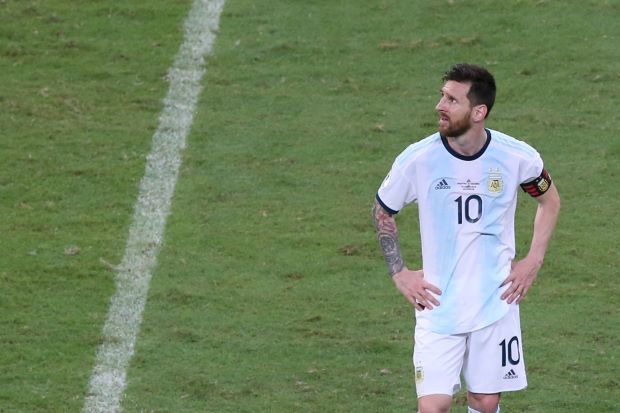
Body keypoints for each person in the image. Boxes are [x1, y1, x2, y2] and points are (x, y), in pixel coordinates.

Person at [372, 63, 561, 413]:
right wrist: (399, 272)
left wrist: (533, 259)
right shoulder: (418, 159)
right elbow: (383, 210)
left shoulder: (516, 157)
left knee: (485, 402)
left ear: (479, 112)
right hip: (439, 305)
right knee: (433, 407)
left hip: (496, 300)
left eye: (451, 100)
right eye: (442, 96)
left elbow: (549, 200)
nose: (439, 106)